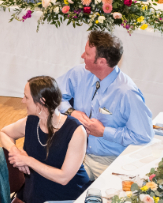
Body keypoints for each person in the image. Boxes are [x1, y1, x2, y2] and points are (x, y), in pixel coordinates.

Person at [57, 31, 153, 180]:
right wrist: (70, 111)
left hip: (106, 160)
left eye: (87, 54)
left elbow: (143, 136)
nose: (82, 56)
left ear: (101, 62)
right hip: (73, 150)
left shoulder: (127, 93)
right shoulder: (78, 73)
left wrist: (104, 132)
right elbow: (52, 96)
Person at [0, 77, 90, 203]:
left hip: (68, 197)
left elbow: (64, 177)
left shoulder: (76, 131)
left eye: (26, 97)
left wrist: (27, 160)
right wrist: (16, 151)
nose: (22, 101)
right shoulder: (30, 122)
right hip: (38, 192)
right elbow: (4, 133)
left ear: (41, 102)